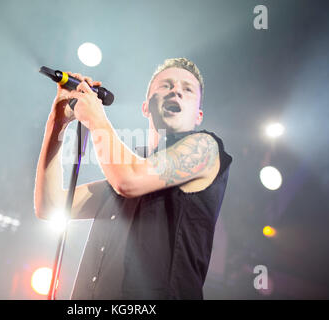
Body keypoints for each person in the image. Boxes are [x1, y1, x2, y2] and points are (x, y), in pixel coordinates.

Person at [34, 58, 232, 299]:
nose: (176, 91)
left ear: (198, 115)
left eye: (187, 89)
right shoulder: (125, 169)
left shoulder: (206, 148)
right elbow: (50, 205)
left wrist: (96, 118)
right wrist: (57, 123)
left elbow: (128, 180)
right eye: (166, 85)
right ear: (145, 107)